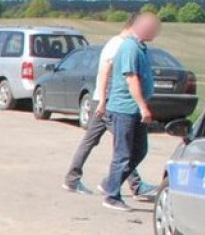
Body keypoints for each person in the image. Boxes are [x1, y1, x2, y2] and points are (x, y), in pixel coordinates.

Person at [62, 13, 155, 197]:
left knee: (95, 141)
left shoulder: (120, 44)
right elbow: (105, 73)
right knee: (126, 146)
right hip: (110, 103)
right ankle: (129, 185)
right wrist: (103, 102)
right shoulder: (119, 45)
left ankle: (72, 178)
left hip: (106, 101)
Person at [100, 12, 161, 212]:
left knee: (139, 150)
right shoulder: (129, 48)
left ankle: (110, 183)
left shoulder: (139, 47)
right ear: (141, 27)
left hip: (133, 110)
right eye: (153, 27)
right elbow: (131, 79)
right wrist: (143, 106)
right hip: (124, 110)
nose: (156, 31)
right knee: (123, 154)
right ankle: (111, 196)